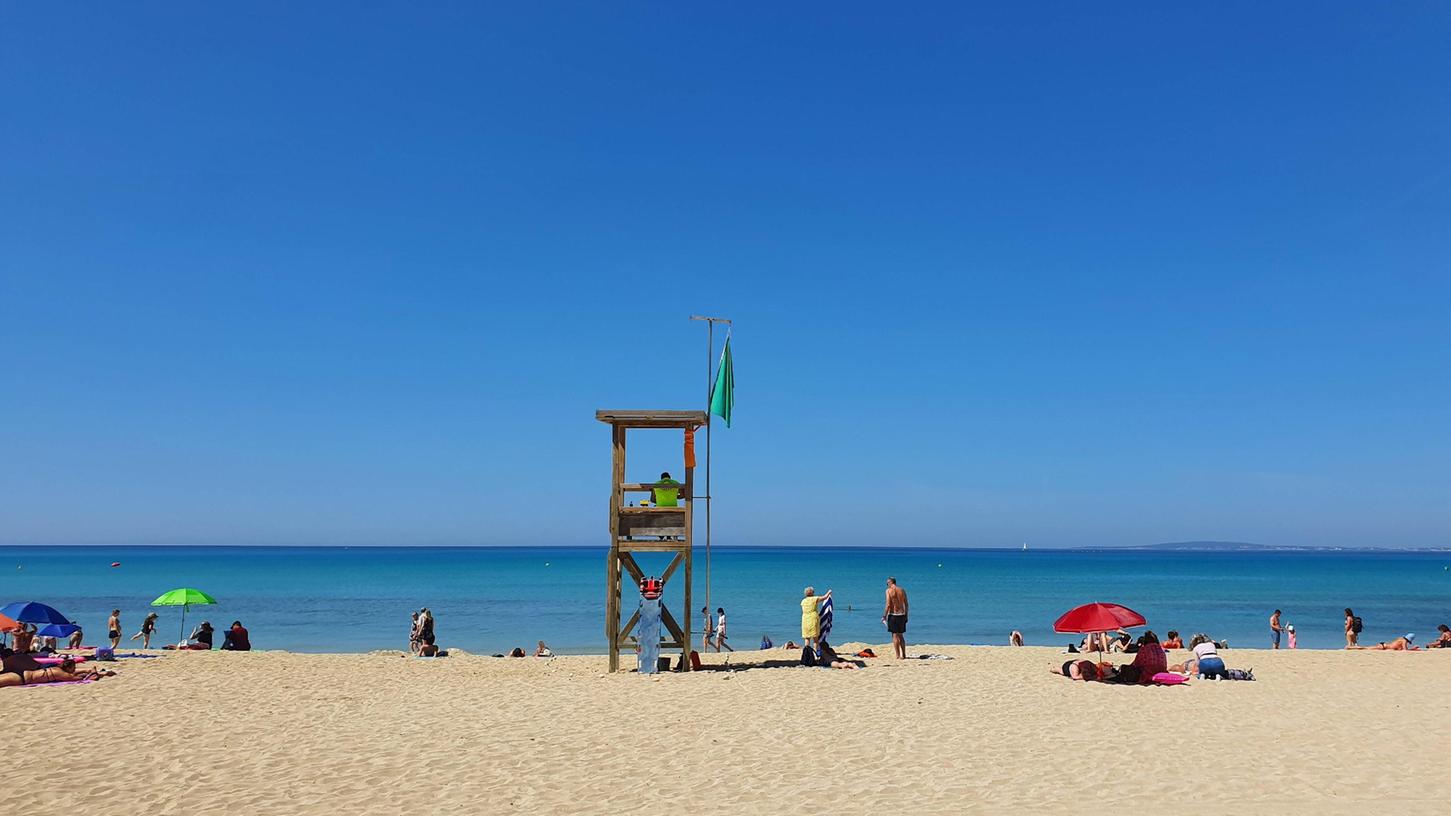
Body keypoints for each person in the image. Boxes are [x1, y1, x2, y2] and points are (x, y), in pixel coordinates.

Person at [0, 655, 115, 687]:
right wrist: (96, 673)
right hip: (21, 679)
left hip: (22, 674)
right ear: (69, 668)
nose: (74, 670)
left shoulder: (56, 669)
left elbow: (74, 673)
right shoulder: (62, 674)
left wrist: (99, 672)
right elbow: (77, 678)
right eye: (73, 668)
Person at [882, 577, 908, 659]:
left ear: (890, 582)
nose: (887, 585)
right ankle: (904, 655)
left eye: (887, 583)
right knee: (901, 635)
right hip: (902, 615)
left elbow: (888, 604)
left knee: (894, 635)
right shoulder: (902, 590)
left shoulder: (888, 591)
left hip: (893, 615)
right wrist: (906, 615)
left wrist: (884, 616)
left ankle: (898, 655)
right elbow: (906, 604)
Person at [800, 587, 831, 653]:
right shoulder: (814, 599)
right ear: (812, 593)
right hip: (813, 619)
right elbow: (824, 597)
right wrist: (829, 592)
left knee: (807, 637)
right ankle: (816, 650)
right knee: (815, 638)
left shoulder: (803, 601)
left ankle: (807, 651)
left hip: (805, 619)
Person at [1351, 634, 1417, 651]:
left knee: (1366, 648)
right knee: (1365, 648)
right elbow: (1405, 650)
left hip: (1384, 646)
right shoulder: (1404, 641)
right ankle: (1352, 647)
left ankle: (1353, 647)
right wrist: (1413, 650)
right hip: (1383, 647)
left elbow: (1400, 648)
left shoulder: (1401, 638)